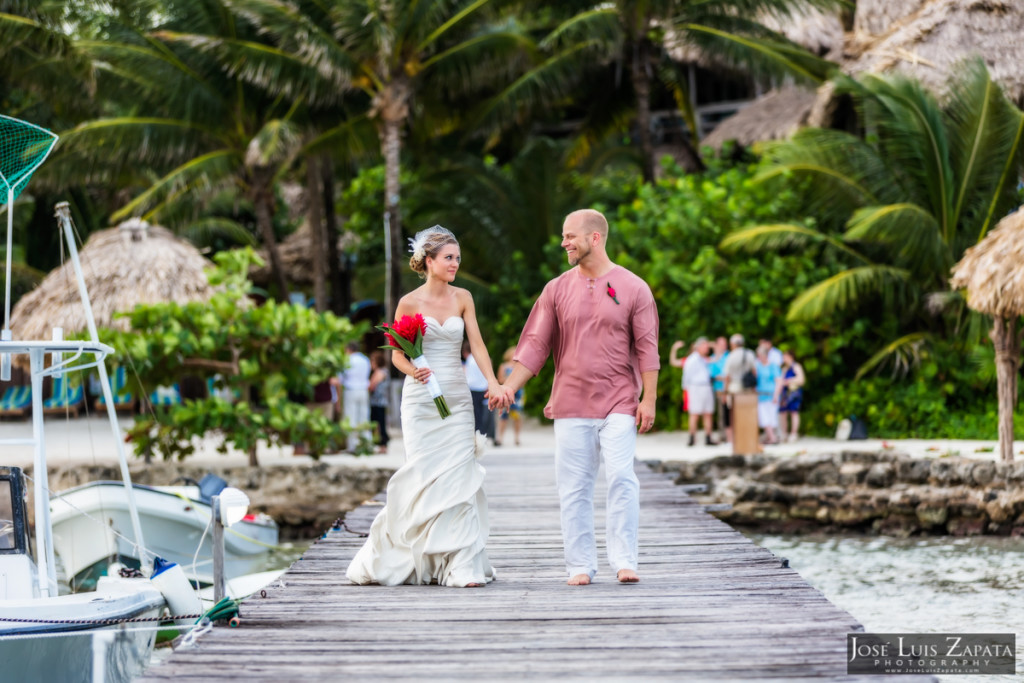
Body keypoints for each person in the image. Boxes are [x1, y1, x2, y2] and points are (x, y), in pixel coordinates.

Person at [497, 209, 659, 586]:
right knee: (574, 487)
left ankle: (624, 560)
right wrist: (510, 387)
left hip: (620, 399)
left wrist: (648, 399)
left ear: (595, 238)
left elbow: (648, 349)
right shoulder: (555, 288)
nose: (564, 243)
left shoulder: (634, 287)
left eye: (570, 236)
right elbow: (535, 344)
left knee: (622, 476)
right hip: (570, 402)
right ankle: (580, 565)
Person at [346, 226, 498, 588]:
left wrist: (492, 381)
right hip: (420, 398)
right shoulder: (409, 303)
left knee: (459, 476)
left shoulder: (464, 298)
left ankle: (461, 564)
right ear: (428, 261)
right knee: (425, 473)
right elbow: (396, 356)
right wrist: (414, 369)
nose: (455, 264)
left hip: (457, 398)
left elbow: (476, 345)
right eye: (448, 258)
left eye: (457, 258)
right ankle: (416, 555)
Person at [671, 338, 714, 446]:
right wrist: (686, 390)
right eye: (705, 346)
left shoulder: (704, 359)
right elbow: (687, 375)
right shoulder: (692, 359)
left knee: (708, 412)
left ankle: (708, 437)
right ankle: (691, 438)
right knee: (694, 413)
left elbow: (717, 358)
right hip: (695, 388)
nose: (707, 348)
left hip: (706, 387)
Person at [334, 341, 371, 452]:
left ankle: (353, 447)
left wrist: (338, 400)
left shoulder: (347, 360)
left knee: (351, 418)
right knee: (364, 417)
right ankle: (366, 444)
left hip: (351, 390)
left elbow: (340, 380)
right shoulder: (365, 359)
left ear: (348, 349)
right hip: (363, 390)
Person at [722, 333, 756, 444]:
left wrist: (725, 391)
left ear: (733, 344)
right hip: (747, 387)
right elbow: (754, 371)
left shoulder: (731, 356)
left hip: (734, 386)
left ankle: (733, 438)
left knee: (732, 413)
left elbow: (727, 376)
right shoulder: (750, 354)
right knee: (746, 412)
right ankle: (747, 436)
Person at [463, 340, 496, 443]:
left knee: (476, 414)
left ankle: (478, 434)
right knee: (484, 413)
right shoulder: (483, 359)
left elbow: (468, 375)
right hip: (484, 388)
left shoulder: (469, 360)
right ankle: (485, 434)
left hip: (473, 389)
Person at [754, 344, 782, 445]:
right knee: (764, 418)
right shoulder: (758, 366)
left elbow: (778, 382)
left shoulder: (773, 366)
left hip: (771, 395)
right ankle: (771, 437)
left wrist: (776, 395)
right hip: (761, 395)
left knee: (771, 418)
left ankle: (772, 438)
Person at [496, 346, 523, 447]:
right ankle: (500, 437)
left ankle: (517, 437)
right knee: (503, 416)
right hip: (506, 394)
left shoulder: (519, 367)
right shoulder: (504, 366)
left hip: (518, 395)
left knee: (517, 417)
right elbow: (500, 379)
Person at [706, 336, 730, 442]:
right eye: (720, 344)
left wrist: (724, 377)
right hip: (719, 389)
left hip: (730, 389)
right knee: (721, 413)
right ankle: (723, 435)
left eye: (724, 344)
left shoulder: (729, 356)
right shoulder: (713, 357)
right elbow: (711, 374)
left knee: (730, 414)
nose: (723, 346)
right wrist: (724, 377)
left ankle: (731, 435)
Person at [779, 349, 806, 442]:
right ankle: (784, 433)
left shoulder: (796, 366)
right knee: (783, 413)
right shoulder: (784, 368)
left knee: (794, 413)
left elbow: (801, 380)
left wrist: (789, 381)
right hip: (785, 393)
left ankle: (794, 433)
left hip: (794, 393)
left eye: (785, 356)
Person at [368, 351, 390, 453]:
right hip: (380, 401)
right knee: (380, 423)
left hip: (378, 402)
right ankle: (381, 444)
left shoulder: (380, 372)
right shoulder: (384, 371)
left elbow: (372, 386)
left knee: (379, 423)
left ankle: (383, 444)